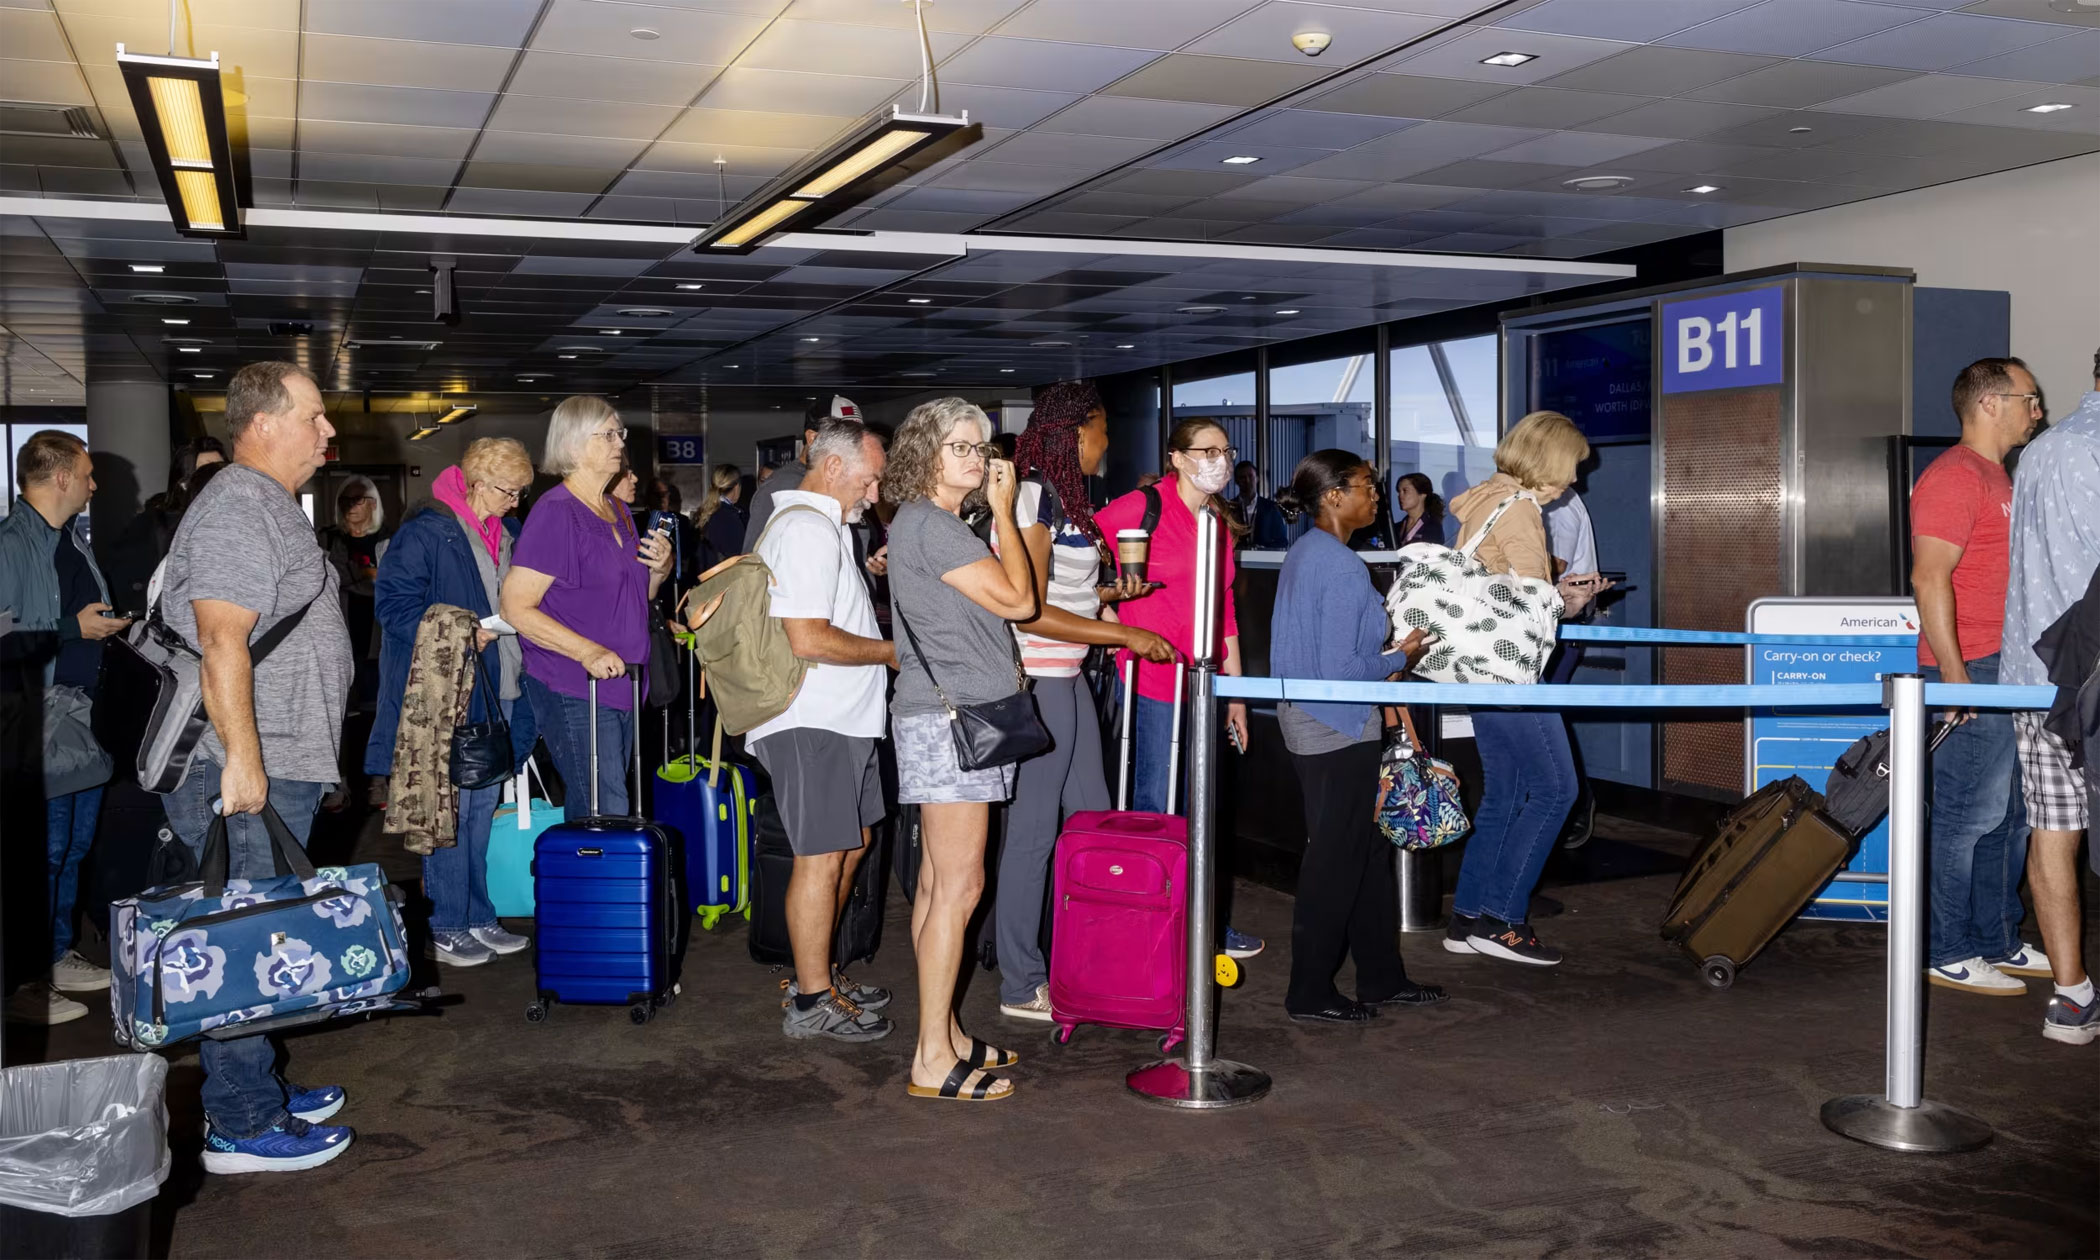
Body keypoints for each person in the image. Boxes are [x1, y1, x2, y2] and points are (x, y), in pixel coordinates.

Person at [154, 360, 356, 1173]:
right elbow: (220, 639)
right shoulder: (239, 504)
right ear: (264, 423)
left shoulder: (264, 503)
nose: (329, 430)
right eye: (315, 415)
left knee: (265, 929)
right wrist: (243, 759)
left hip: (278, 755)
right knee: (245, 939)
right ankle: (239, 1122)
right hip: (243, 764)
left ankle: (253, 1085)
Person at [993, 381, 1176, 1022]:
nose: (1108, 442)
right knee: (1033, 836)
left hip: (1068, 678)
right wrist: (1124, 634)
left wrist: (1110, 597)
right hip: (1040, 681)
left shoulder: (1067, 502)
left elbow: (1067, 597)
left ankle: (1088, 960)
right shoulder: (1034, 499)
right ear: (1075, 433)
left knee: (1092, 821)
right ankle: (1020, 982)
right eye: (1101, 430)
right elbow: (1030, 611)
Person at [884, 397, 1037, 1102]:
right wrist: (1005, 511)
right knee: (960, 886)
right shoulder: (934, 526)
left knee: (937, 885)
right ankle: (930, 1058)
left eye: (982, 447)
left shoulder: (925, 523)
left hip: (945, 717)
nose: (978, 459)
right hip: (950, 722)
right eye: (962, 447)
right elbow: (1020, 602)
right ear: (927, 452)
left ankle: (942, 1034)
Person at [1270, 449, 1440, 1024]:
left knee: (1363, 855)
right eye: (1367, 486)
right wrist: (1400, 655)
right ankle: (1309, 991)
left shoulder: (1308, 552)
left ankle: (1381, 977)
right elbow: (1342, 670)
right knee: (1336, 862)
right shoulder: (1340, 566)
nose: (1376, 496)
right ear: (1333, 496)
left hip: (1320, 720)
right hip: (1334, 727)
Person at [746, 419, 897, 1042]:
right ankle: (811, 999)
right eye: (871, 478)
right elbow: (808, 639)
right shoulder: (807, 528)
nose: (875, 492)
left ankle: (820, 977)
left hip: (840, 718)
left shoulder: (823, 525)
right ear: (833, 467)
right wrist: (891, 653)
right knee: (821, 856)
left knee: (852, 843)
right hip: (814, 718)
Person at [366, 438, 539, 968]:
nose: (515, 502)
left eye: (521, 492)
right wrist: (462, 630)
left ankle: (478, 915)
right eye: (508, 491)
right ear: (477, 484)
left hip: (500, 685)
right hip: (448, 695)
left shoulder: (506, 531)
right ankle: (445, 923)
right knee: (450, 813)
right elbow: (393, 607)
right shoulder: (427, 532)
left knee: (481, 813)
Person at [1096, 418, 1264, 960]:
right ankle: (1153, 926)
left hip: (1204, 684)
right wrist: (1110, 619)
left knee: (1201, 809)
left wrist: (1236, 695)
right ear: (1176, 456)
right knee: (1157, 805)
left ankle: (1202, 923)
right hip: (1151, 683)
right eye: (1206, 450)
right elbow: (1071, 564)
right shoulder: (1141, 508)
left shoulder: (1217, 520)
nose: (1219, 460)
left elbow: (1225, 612)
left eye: (1225, 450)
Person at [1911, 358, 2047, 997]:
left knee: (2012, 815)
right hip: (1973, 665)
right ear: (1991, 403)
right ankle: (1946, 949)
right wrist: (1954, 676)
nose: (2038, 410)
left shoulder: (1998, 477)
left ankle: (1997, 938)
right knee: (1967, 815)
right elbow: (1928, 577)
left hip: (2008, 666)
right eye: (2029, 398)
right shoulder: (1954, 476)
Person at [1440, 411, 1595, 968]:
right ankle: (1502, 921)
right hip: (1511, 674)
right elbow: (1531, 606)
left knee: (1504, 794)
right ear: (1548, 461)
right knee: (1556, 790)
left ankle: (1468, 917)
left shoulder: (1484, 499)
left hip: (1479, 671)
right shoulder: (1523, 508)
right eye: (1571, 466)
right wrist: (1569, 600)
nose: (1574, 479)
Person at [0, 431, 129, 1026]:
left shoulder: (70, 539)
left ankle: (54, 957)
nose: (93, 485)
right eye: (86, 474)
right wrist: (75, 629)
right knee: (42, 856)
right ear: (60, 478)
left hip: (80, 718)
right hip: (35, 722)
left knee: (71, 850)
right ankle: (21, 985)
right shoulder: (10, 544)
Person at [502, 398, 673, 820]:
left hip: (624, 682)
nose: (620, 444)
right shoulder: (556, 513)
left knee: (613, 809)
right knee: (605, 811)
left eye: (620, 434)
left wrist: (660, 570)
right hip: (576, 684)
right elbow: (515, 607)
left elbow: (635, 597)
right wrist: (586, 651)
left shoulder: (618, 511)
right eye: (608, 435)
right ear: (573, 446)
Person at [2003, 348, 2100, 1043]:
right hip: (2093, 677)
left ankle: (2071, 996)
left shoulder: (2040, 452)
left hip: (2038, 675)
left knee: (2053, 827)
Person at [105, 435, 226, 613]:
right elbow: (126, 588)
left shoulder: (231, 522)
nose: (215, 480)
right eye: (205, 473)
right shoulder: (154, 524)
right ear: (183, 482)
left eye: (221, 471)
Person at [746, 395, 859, 549]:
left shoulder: (841, 481)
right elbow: (753, 554)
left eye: (856, 439)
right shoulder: (781, 486)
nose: (853, 446)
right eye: (843, 438)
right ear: (812, 438)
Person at [317, 475, 389, 716]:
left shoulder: (390, 539)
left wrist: (352, 576)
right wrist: (368, 573)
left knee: (374, 710)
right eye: (345, 500)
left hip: (376, 635)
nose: (350, 506)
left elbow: (392, 582)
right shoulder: (327, 538)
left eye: (357, 500)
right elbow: (330, 577)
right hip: (337, 633)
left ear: (373, 503)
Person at [692, 462, 745, 571]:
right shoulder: (730, 517)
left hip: (705, 576)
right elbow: (738, 555)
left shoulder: (703, 513)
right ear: (736, 487)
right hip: (724, 577)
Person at [1233, 460, 1290, 550]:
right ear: (1236, 481)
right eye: (1242, 478)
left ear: (1257, 478)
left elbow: (1282, 542)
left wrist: (1263, 549)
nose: (1247, 481)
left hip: (1264, 558)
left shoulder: (1272, 508)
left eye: (1250, 476)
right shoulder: (1229, 508)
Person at [1395, 472, 1449, 548]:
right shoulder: (1396, 528)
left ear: (1422, 494)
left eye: (1405, 491)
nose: (1400, 496)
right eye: (1399, 492)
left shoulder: (1432, 527)